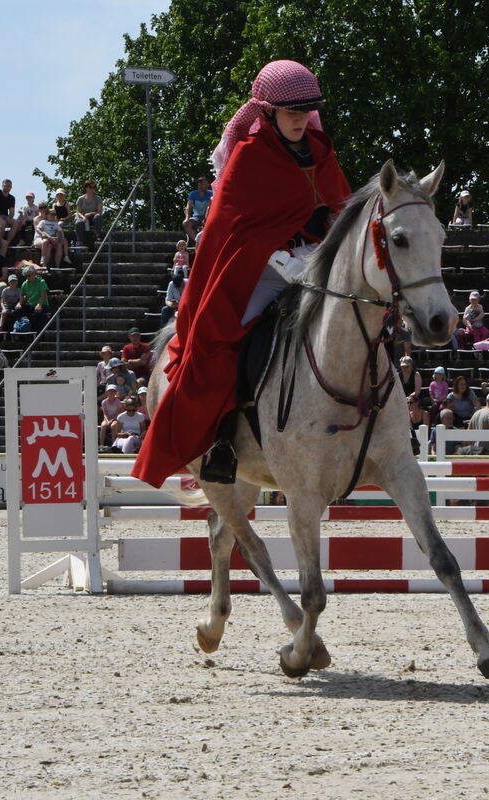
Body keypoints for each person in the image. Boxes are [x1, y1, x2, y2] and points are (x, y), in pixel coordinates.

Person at [135, 60, 351, 487]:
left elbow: (341, 211)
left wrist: (328, 249)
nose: (301, 118)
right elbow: (234, 232)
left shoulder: (322, 152)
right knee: (223, 344)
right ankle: (222, 441)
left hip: (317, 265)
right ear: (268, 111)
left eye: (306, 110)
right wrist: (282, 261)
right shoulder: (249, 157)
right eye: (291, 111)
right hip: (261, 272)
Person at [33, 202, 65, 268]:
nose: (43, 209)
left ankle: (57, 267)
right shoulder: (37, 219)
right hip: (40, 238)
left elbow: (58, 230)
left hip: (50, 238)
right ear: (38, 209)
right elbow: (38, 230)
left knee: (58, 244)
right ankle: (44, 266)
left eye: (44, 207)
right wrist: (49, 237)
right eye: (41, 207)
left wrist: (58, 238)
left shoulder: (53, 220)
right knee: (47, 244)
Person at [182, 177, 213, 244]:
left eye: (207, 184)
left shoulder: (211, 193)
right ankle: (199, 241)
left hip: (208, 216)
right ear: (199, 184)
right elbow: (189, 207)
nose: (207, 185)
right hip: (197, 217)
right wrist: (187, 218)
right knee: (186, 224)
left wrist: (206, 218)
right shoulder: (193, 194)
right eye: (205, 184)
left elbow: (211, 207)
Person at [19, 264, 50, 330]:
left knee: (37, 314)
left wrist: (39, 304)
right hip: (30, 305)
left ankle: (37, 333)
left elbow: (43, 294)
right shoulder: (25, 283)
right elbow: (22, 295)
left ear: (34, 274)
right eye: (26, 276)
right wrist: (19, 303)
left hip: (42, 305)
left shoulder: (41, 282)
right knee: (17, 311)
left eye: (29, 276)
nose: (27, 278)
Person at [0, 180, 17, 253]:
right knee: (2, 222)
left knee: (15, 223)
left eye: (9, 186)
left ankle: (7, 242)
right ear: (2, 185)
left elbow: (12, 212)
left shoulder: (12, 198)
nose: (7, 187)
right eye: (6, 185)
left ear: (11, 187)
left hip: (5, 216)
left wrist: (9, 217)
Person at [75, 180, 104, 249]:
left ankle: (98, 236)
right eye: (90, 187)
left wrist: (90, 214)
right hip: (83, 217)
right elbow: (78, 212)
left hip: (93, 217)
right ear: (86, 188)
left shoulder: (98, 198)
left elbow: (99, 212)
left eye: (94, 187)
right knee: (78, 223)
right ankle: (80, 241)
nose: (92, 189)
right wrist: (83, 217)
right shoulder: (80, 199)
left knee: (98, 217)